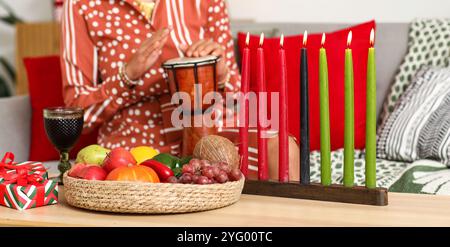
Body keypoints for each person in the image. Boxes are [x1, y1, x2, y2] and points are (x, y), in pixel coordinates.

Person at [61, 0, 240, 156]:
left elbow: (238, 97)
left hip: (212, 146)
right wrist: (126, 77)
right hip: (134, 159)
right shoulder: (80, 4)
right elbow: (76, 117)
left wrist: (221, 75)